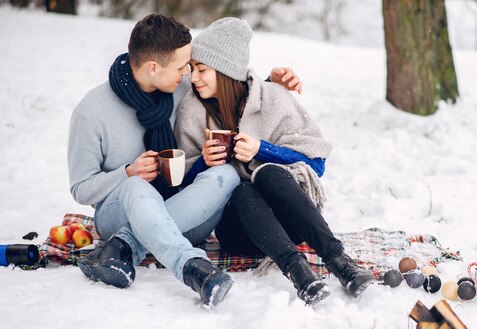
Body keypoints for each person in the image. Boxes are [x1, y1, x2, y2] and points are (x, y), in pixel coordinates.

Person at [67, 14, 302, 308]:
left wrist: (271, 87)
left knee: (227, 174)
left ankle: (124, 246)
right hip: (118, 215)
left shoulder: (181, 89)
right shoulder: (91, 113)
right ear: (154, 68)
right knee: (137, 188)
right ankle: (192, 267)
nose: (188, 74)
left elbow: (229, 90)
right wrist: (128, 173)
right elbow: (81, 188)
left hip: (187, 215)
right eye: (182, 67)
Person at [175, 18, 374, 306]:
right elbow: (184, 188)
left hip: (289, 219)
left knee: (269, 173)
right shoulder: (192, 110)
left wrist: (263, 150)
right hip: (237, 227)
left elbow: (316, 164)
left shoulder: (273, 99)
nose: (193, 78)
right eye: (192, 69)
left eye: (202, 70)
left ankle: (340, 261)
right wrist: (203, 163)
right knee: (241, 190)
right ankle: (298, 272)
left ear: (226, 68)